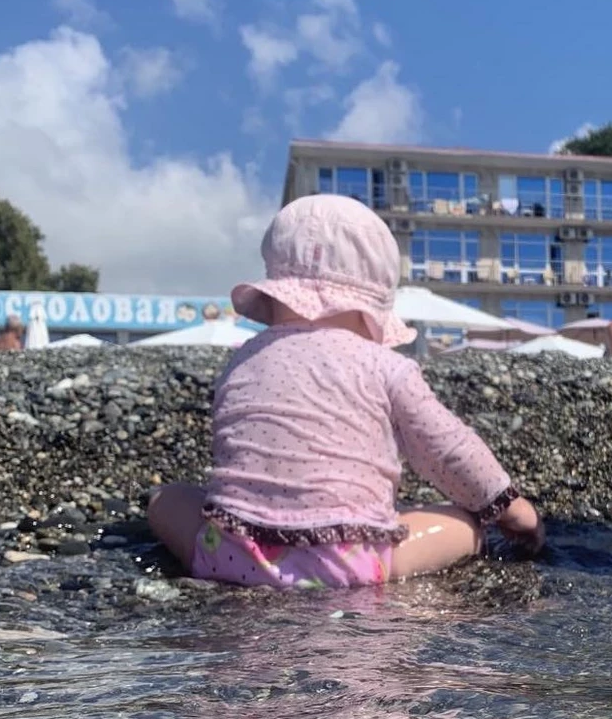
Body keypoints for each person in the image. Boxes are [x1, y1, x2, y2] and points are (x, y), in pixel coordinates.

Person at [148, 194, 544, 590]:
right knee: (465, 526)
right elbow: (447, 449)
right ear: (371, 304)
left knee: (166, 498)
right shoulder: (385, 365)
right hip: (347, 561)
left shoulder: (242, 360)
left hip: (229, 554)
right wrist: (512, 510)